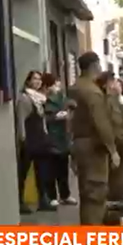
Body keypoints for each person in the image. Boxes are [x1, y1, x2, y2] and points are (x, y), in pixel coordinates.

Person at [69, 52, 118, 225]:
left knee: (86, 192)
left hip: (79, 144)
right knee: (95, 194)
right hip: (93, 147)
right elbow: (101, 122)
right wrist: (112, 150)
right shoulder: (92, 91)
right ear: (95, 66)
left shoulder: (75, 88)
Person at [15, 70, 56, 213]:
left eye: (39, 79)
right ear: (28, 81)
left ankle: (43, 199)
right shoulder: (25, 99)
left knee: (42, 171)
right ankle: (19, 201)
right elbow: (21, 120)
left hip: (40, 139)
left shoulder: (40, 99)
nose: (37, 82)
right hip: (29, 140)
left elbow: (42, 119)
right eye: (34, 79)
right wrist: (22, 139)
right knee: (23, 172)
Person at [41, 73, 77, 207]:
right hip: (51, 138)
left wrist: (69, 110)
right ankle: (52, 196)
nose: (58, 86)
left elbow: (71, 103)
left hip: (63, 136)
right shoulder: (44, 100)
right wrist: (56, 116)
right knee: (51, 170)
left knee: (63, 169)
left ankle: (65, 194)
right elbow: (44, 118)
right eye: (55, 84)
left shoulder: (62, 98)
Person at [102, 71, 123, 206]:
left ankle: (119, 197)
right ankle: (115, 200)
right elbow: (114, 124)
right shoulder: (107, 102)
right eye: (114, 82)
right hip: (117, 142)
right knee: (116, 174)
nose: (117, 85)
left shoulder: (118, 102)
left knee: (121, 173)